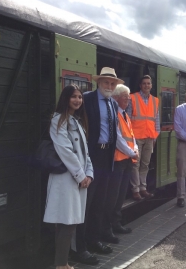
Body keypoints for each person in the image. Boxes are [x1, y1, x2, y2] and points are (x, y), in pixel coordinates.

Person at [71, 67, 124, 265]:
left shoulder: (112, 103)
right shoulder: (86, 99)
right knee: (85, 203)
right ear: (98, 83)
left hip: (106, 156)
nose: (109, 86)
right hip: (90, 156)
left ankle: (94, 240)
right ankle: (80, 248)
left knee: (100, 203)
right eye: (106, 83)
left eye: (112, 84)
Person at [43, 84, 93, 269]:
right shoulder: (58, 121)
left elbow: (85, 153)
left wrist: (89, 173)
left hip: (77, 179)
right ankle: (61, 265)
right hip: (65, 180)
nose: (78, 100)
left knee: (69, 222)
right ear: (66, 98)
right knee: (66, 223)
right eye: (74, 96)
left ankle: (62, 263)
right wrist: (81, 176)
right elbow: (65, 151)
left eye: (80, 97)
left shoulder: (76, 121)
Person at [103, 84, 139, 236]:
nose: (128, 100)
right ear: (116, 98)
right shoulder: (114, 115)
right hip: (118, 161)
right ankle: (107, 228)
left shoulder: (125, 115)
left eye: (129, 97)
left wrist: (135, 149)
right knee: (113, 196)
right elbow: (117, 139)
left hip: (127, 161)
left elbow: (131, 136)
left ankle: (116, 223)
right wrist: (132, 152)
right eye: (126, 97)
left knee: (121, 195)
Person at [127, 75, 160, 201]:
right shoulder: (133, 98)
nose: (146, 85)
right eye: (144, 83)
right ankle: (135, 190)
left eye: (149, 83)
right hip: (136, 137)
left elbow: (156, 120)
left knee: (145, 164)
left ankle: (143, 188)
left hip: (150, 137)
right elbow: (128, 119)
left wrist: (155, 136)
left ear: (151, 85)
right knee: (135, 164)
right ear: (140, 85)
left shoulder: (155, 100)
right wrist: (130, 138)